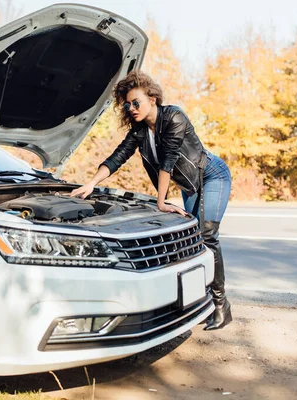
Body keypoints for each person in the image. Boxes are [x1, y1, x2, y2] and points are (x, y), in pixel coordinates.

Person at [70, 70, 232, 330]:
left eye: (137, 103)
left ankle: (221, 306)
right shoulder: (139, 131)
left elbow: (168, 160)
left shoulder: (174, 117)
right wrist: (91, 182)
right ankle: (196, 299)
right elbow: (118, 156)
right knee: (194, 239)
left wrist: (161, 202)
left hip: (212, 175)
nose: (131, 108)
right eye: (127, 104)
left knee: (207, 235)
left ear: (153, 99)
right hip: (189, 185)